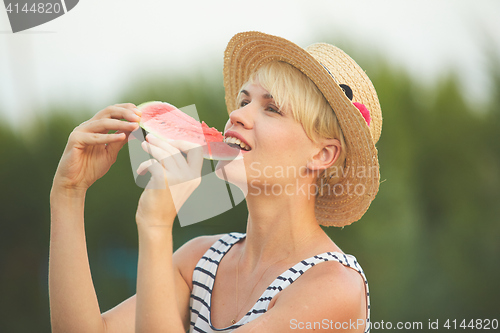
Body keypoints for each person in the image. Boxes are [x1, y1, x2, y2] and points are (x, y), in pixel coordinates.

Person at [49, 31, 382, 333]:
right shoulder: (200, 260)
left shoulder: (334, 288)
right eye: (244, 101)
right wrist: (68, 192)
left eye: (272, 109)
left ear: (322, 155)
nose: (237, 115)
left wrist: (155, 226)